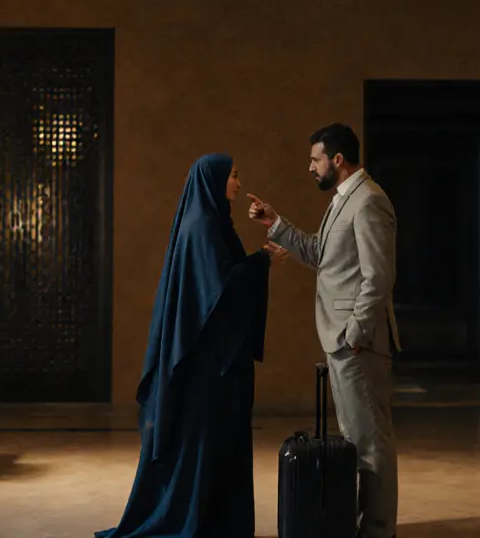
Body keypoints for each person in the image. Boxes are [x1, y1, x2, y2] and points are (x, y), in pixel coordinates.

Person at [97, 153, 286, 538]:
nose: (237, 182)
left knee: (218, 445)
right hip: (209, 368)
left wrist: (258, 259)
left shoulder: (212, 222)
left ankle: (217, 522)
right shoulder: (201, 226)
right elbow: (219, 291)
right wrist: (262, 261)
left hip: (216, 363)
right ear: (214, 180)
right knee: (206, 444)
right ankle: (199, 522)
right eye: (233, 176)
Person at [247, 123, 400, 538]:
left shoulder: (368, 201)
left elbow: (378, 278)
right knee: (358, 441)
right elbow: (320, 253)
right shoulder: (343, 200)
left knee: (371, 446)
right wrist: (275, 222)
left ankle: (378, 532)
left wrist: (353, 334)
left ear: (337, 160)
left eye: (315, 159)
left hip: (358, 344)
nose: (309, 167)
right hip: (345, 342)